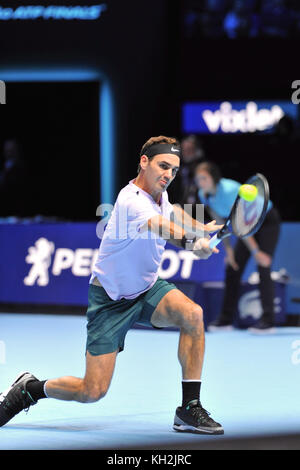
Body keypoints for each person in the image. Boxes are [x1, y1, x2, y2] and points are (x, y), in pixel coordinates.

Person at [0, 136, 224, 435]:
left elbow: (170, 212)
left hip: (146, 290)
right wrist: (193, 243)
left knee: (192, 314)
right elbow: (161, 226)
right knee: (92, 391)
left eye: (173, 169)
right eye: (162, 166)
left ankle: (189, 408)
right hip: (110, 301)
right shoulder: (130, 200)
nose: (168, 175)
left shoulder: (159, 193)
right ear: (144, 162)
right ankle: (30, 388)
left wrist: (202, 227)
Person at [194, 160, 281, 333]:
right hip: (245, 225)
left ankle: (268, 321)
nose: (200, 183)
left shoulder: (230, 190)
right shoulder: (203, 194)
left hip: (266, 221)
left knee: (263, 265)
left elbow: (243, 224)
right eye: (198, 179)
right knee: (232, 268)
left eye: (204, 178)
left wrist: (256, 252)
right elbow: (221, 221)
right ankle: (226, 320)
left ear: (214, 177)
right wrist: (229, 251)